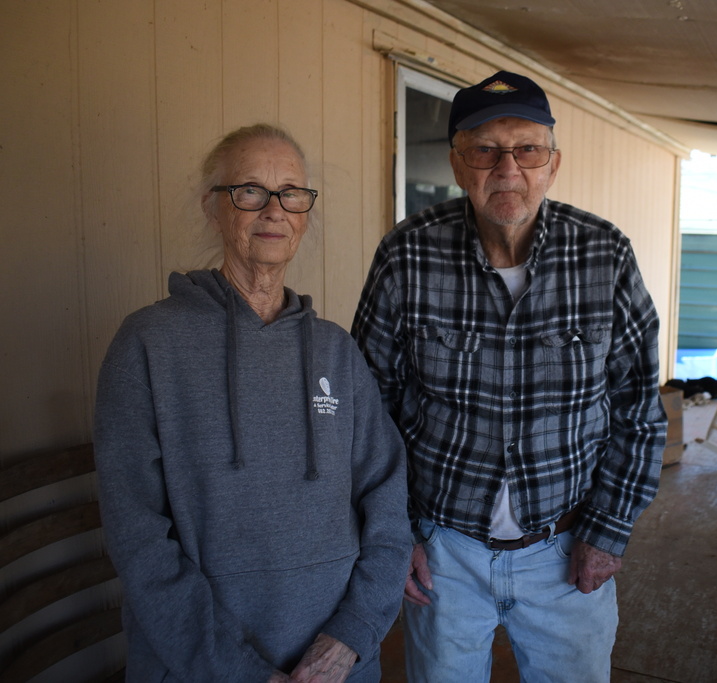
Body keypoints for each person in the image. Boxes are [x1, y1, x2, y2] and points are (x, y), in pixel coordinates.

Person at [352, 71, 667, 681]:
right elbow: (371, 413)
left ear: (553, 163)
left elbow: (638, 408)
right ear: (456, 162)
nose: (508, 168)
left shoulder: (604, 255)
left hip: (567, 550)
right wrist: (396, 535)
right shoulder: (407, 254)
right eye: (485, 150)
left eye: (527, 149)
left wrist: (608, 532)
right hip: (443, 553)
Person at [94, 123, 410, 682]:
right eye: (249, 191)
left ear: (305, 212)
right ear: (214, 208)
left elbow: (386, 501)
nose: (274, 210)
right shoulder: (147, 343)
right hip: (200, 666)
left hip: (336, 667)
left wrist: (353, 634)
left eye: (291, 192)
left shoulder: (336, 350)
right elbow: (137, 535)